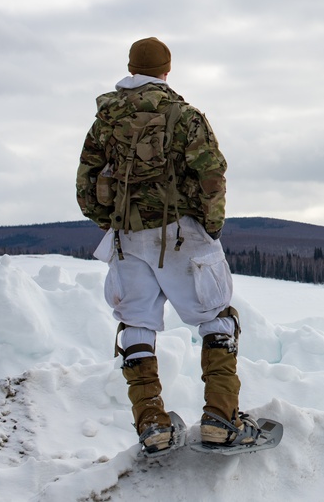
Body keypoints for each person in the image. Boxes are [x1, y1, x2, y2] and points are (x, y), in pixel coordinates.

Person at [76, 37, 258, 454]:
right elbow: (212, 175)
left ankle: (152, 425)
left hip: (127, 238)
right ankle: (221, 420)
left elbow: (85, 184)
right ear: (167, 70)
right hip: (181, 233)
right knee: (216, 317)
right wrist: (210, 228)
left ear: (130, 66)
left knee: (137, 324)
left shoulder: (105, 119)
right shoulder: (185, 115)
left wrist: (114, 224)